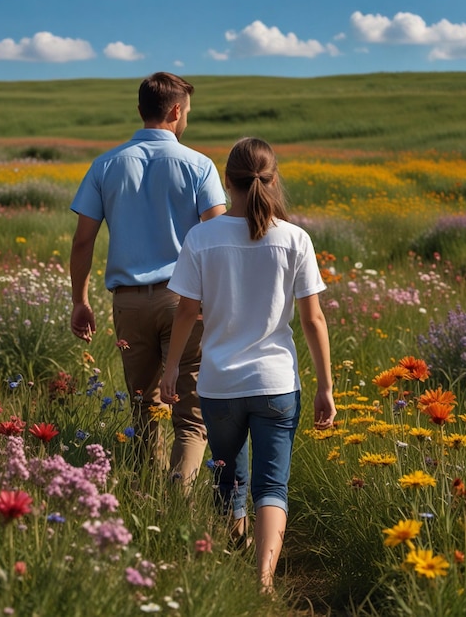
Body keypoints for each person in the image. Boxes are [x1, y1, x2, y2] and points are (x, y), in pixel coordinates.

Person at [160, 137, 336, 593]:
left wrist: (172, 367)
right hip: (276, 383)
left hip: (219, 384)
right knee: (271, 485)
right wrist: (325, 388)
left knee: (228, 477)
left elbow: (185, 311)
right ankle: (263, 581)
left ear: (226, 180)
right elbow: (313, 319)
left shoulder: (202, 238)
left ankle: (234, 547)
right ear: (272, 179)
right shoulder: (295, 239)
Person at [70, 72, 226, 487]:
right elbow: (218, 238)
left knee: (143, 408)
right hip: (186, 305)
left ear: (141, 111)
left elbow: (83, 241)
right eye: (187, 112)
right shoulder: (200, 165)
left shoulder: (106, 164)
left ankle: (147, 494)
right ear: (176, 111)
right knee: (190, 417)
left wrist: (79, 300)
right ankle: (180, 500)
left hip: (129, 303)